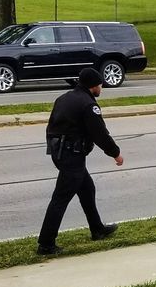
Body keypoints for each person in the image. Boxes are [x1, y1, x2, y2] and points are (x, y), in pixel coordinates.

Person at [37, 68, 123, 256]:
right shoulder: (88, 105)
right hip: (72, 156)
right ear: (94, 85)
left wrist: (56, 152)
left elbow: (51, 127)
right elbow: (99, 133)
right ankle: (46, 243)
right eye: (100, 84)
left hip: (60, 153)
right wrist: (115, 153)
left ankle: (97, 229)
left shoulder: (64, 98)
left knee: (87, 189)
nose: (101, 88)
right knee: (60, 198)